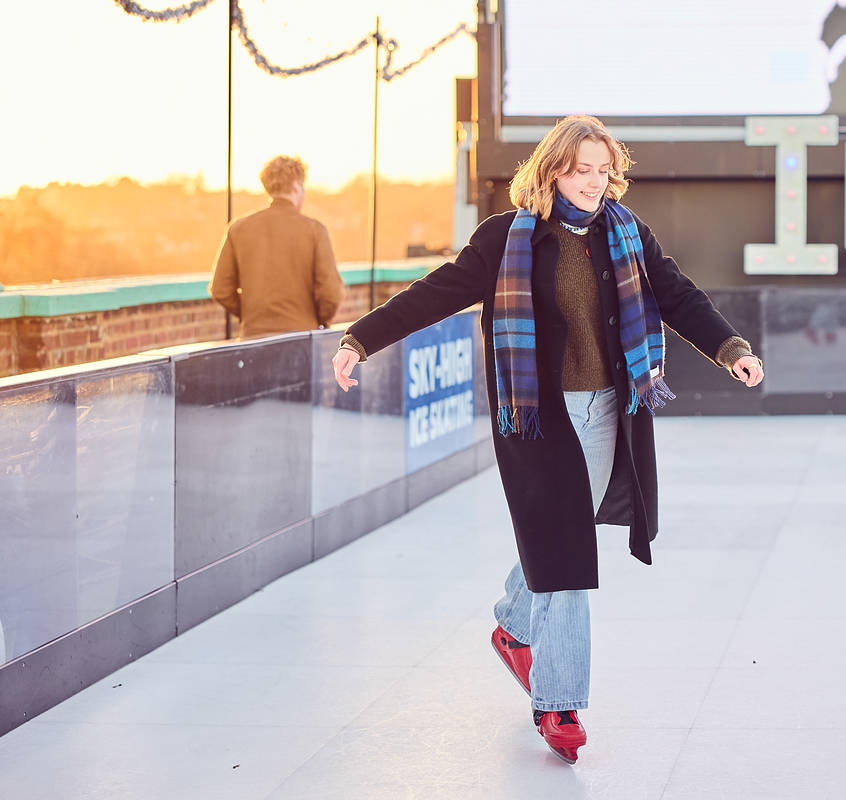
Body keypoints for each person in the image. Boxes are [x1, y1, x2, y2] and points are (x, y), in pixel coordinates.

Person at [331, 115, 763, 764]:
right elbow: (439, 290)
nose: (595, 182)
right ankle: (559, 704)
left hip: (610, 410)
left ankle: (512, 622)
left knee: (562, 539)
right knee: (567, 556)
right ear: (553, 169)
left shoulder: (625, 232)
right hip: (540, 418)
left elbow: (675, 293)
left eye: (603, 170)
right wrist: (360, 338)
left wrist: (730, 348)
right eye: (582, 169)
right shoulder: (508, 238)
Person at [208, 155, 346, 338]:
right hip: (302, 337)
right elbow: (331, 293)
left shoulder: (238, 229)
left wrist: (252, 314)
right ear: (297, 186)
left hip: (253, 337)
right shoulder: (315, 230)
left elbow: (220, 289)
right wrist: (318, 319)